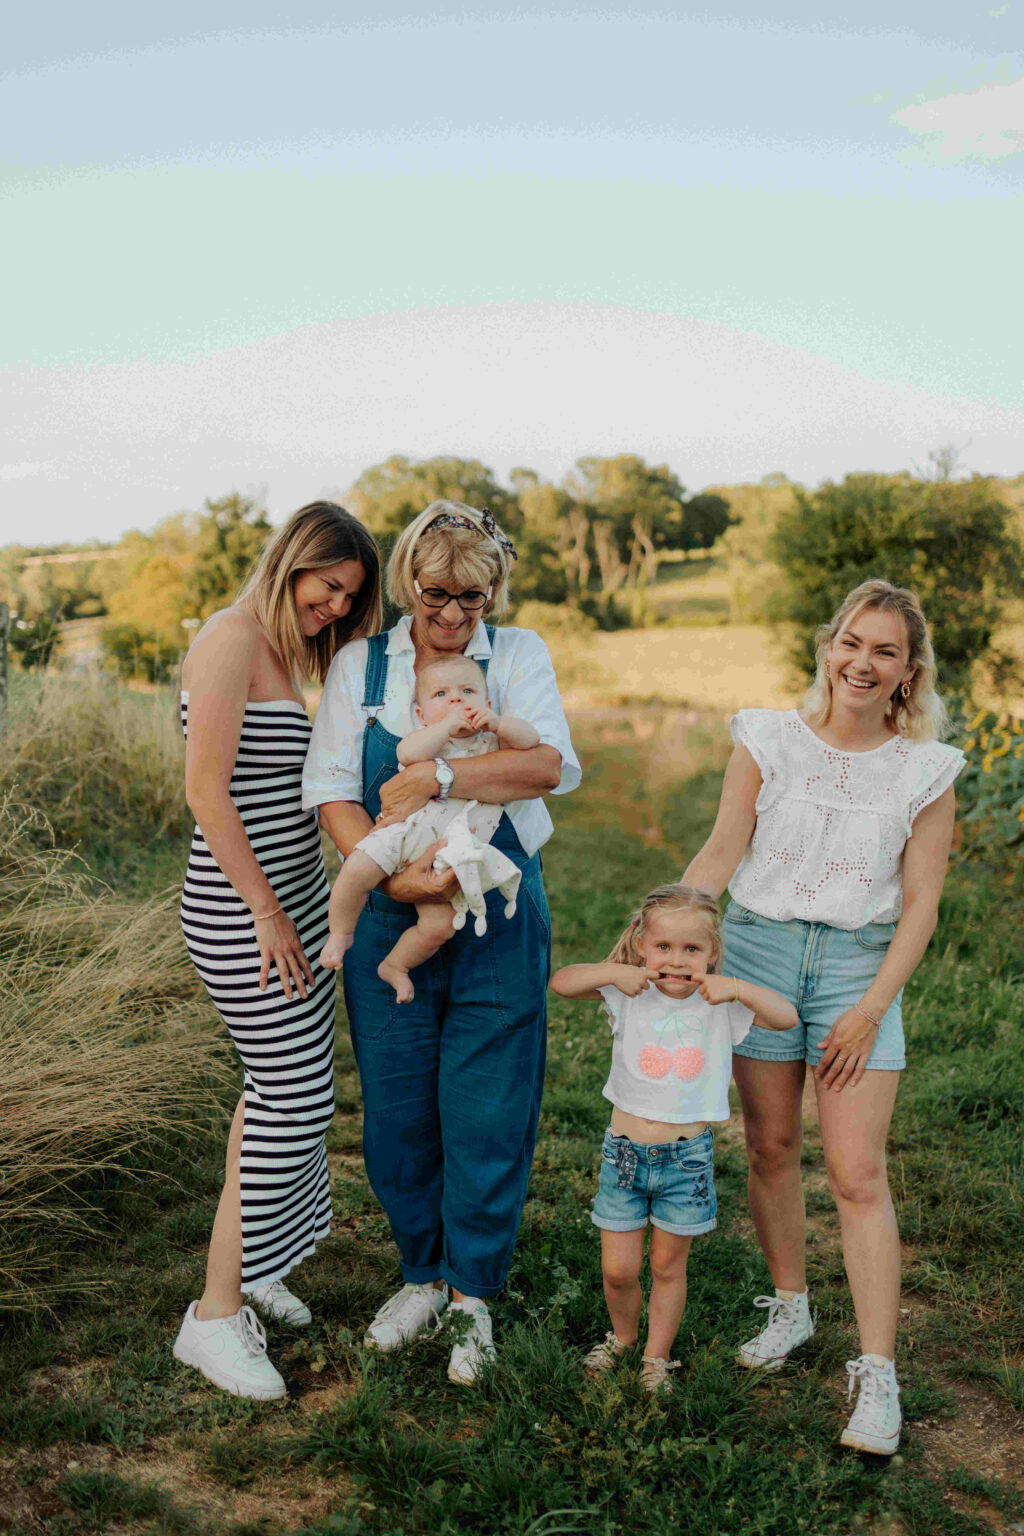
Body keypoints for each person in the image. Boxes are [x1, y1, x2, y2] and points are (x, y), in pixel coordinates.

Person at [682, 578, 965, 1454]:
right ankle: (791, 1306)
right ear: (828, 646)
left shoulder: (927, 771)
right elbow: (725, 849)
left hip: (857, 967)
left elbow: (920, 905)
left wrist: (874, 1007)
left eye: (885, 651)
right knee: (768, 1146)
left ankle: (878, 1378)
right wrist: (666, 930)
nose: (862, 662)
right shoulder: (765, 738)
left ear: (908, 672)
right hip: (760, 948)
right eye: (852, 642)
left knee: (855, 1172)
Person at [302, 500, 580, 1384]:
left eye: (475, 598)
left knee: (490, 1104)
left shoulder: (522, 656)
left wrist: (442, 774)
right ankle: (420, 1272)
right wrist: (391, 878)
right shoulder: (362, 664)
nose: (455, 615)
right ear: (405, 583)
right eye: (435, 595)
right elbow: (339, 791)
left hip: (497, 902)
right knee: (396, 1108)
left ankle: (473, 1297)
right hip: (395, 905)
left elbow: (545, 767)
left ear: (496, 591)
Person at [172, 501, 382, 1400]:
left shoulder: (281, 653)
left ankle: (258, 1268)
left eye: (349, 599)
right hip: (240, 911)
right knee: (288, 1095)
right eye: (328, 586)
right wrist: (265, 910)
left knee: (289, 1090)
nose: (335, 608)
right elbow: (206, 792)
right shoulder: (228, 637)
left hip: (288, 906)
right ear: (293, 560)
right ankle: (214, 1318)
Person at [550, 883, 797, 1395]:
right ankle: (621, 1338)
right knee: (617, 1269)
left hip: (685, 1161)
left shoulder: (719, 1002)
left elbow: (786, 1017)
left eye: (692, 950)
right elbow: (563, 982)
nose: (677, 961)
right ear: (643, 944)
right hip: (623, 1155)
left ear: (711, 954)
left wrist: (738, 988)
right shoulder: (628, 991)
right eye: (664, 947)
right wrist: (616, 972)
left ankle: (655, 1357)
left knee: (667, 1264)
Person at [318, 652, 539, 1000]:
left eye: (467, 691)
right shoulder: (428, 740)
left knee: (439, 926)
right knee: (357, 869)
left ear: (486, 702)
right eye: (440, 695)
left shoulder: (493, 741)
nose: (455, 699)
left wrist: (498, 723)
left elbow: (531, 740)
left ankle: (396, 966)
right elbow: (406, 754)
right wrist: (443, 728)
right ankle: (340, 932)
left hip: (451, 852)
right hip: (406, 836)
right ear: (420, 715)